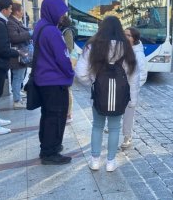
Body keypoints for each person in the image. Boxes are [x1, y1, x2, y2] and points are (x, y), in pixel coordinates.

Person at [75, 16, 137, 172]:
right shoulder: (127, 48)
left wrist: (95, 84)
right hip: (120, 95)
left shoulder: (92, 46)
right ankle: (111, 162)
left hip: (99, 94)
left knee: (97, 126)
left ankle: (95, 160)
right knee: (115, 128)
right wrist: (131, 97)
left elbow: (80, 73)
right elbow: (133, 75)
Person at [34, 0, 74, 165]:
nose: (61, 16)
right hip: (54, 81)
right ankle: (51, 152)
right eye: (60, 12)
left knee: (47, 116)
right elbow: (62, 57)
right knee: (56, 117)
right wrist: (70, 74)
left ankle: (46, 147)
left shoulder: (40, 26)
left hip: (43, 79)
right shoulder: (52, 31)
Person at [121, 27, 147, 149]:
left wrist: (134, 87)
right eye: (124, 35)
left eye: (128, 35)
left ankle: (127, 136)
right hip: (119, 86)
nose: (125, 37)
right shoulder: (121, 49)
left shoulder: (138, 54)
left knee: (128, 115)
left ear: (134, 38)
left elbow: (142, 75)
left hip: (131, 90)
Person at [0, 0, 20, 134]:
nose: (11, 11)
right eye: (10, 9)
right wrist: (16, 52)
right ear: (4, 9)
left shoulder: (1, 22)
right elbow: (2, 49)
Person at [7, 3, 33, 109]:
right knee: (17, 77)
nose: (23, 12)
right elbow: (15, 38)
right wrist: (30, 33)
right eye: (22, 10)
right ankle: (16, 101)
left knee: (20, 76)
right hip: (17, 55)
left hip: (21, 54)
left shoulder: (16, 21)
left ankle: (17, 94)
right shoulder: (11, 23)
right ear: (17, 11)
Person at [58, 15, 76, 123]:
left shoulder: (67, 31)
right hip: (61, 62)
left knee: (67, 88)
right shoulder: (59, 29)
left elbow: (69, 47)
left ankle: (69, 114)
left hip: (66, 62)